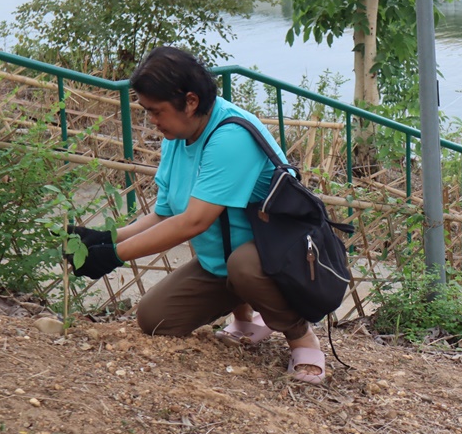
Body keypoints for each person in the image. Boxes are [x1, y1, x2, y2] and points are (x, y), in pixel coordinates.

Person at [68, 46, 327, 384]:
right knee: (154, 318)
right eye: (147, 112)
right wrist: (104, 239)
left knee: (244, 265)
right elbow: (164, 214)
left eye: (156, 111)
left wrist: (112, 256)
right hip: (223, 262)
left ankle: (302, 338)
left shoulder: (231, 137)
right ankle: (246, 320)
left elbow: (194, 221)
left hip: (275, 258)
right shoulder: (178, 135)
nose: (152, 121)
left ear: (190, 101)